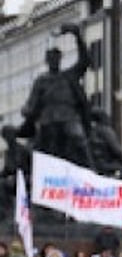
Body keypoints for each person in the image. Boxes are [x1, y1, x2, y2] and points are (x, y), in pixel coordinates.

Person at [18, 23, 94, 168]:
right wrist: (27, 110)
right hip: (48, 120)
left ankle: (91, 170)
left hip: (68, 117)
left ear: (60, 59)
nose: (54, 61)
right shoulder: (41, 81)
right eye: (51, 58)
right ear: (47, 61)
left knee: (78, 138)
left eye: (57, 58)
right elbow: (32, 103)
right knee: (39, 148)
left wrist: (77, 35)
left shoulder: (69, 76)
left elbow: (84, 61)